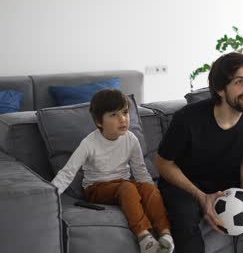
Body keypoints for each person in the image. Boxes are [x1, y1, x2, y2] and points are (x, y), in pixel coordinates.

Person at [155, 52, 243, 253]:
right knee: (185, 218)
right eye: (240, 82)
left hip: (227, 179)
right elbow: (162, 163)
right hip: (185, 182)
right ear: (220, 89)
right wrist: (201, 197)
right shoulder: (187, 120)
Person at [51, 89, 174, 253]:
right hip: (96, 188)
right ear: (99, 122)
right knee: (127, 187)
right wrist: (48, 198)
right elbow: (67, 173)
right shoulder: (89, 143)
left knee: (148, 188)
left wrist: (150, 193)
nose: (123, 119)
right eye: (114, 115)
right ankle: (144, 238)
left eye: (125, 112)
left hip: (123, 185)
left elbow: (140, 171)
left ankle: (165, 234)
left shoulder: (131, 139)